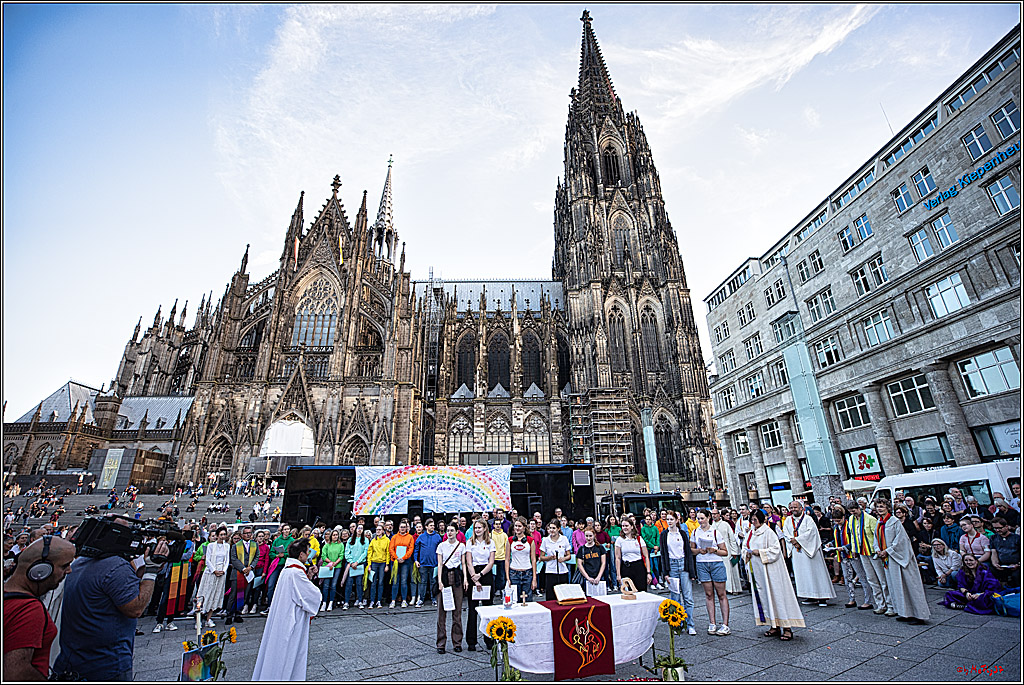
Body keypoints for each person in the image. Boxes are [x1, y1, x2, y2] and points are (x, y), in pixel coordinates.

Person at [54, 517, 170, 681]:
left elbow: (120, 589)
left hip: (73, 657)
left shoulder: (79, 563)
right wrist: (151, 571)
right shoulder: (115, 567)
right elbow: (135, 608)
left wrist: (141, 572)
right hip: (106, 662)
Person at [3, 536, 76, 680]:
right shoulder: (28, 610)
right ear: (41, 569)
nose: (69, 571)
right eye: (64, 566)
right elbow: (16, 673)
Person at [251, 539, 321, 681]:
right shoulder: (296, 573)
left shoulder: (289, 569)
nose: (309, 556)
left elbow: (298, 591)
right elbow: (313, 597)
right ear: (301, 555)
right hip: (291, 620)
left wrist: (309, 576)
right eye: (308, 552)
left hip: (284, 617)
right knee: (287, 653)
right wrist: (309, 580)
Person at [743, 509, 804, 641]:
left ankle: (787, 627)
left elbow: (775, 550)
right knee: (765, 597)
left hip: (771, 570)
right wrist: (747, 553)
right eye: (751, 520)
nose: (753, 522)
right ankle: (773, 624)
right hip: (758, 572)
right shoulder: (750, 533)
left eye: (755, 519)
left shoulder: (768, 532)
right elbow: (744, 547)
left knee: (777, 596)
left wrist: (759, 552)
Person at [874, 501, 930, 625]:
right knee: (897, 587)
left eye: (882, 506)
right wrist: (878, 550)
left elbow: (900, 540)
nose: (880, 509)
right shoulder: (879, 522)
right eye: (878, 507)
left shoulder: (894, 521)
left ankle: (918, 614)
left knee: (909, 586)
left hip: (899, 557)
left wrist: (887, 551)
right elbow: (876, 539)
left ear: (888, 508)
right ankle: (904, 612)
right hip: (889, 559)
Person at [783, 500, 836, 607]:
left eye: (795, 507)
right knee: (803, 575)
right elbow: (786, 533)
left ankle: (822, 597)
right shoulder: (788, 520)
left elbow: (812, 533)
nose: (793, 509)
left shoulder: (808, 519)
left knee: (816, 573)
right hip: (797, 551)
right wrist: (793, 541)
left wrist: (798, 541)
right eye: (791, 508)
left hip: (810, 551)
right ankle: (810, 595)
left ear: (801, 508)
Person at [845, 500, 892, 615]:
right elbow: (852, 536)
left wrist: (879, 550)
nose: (853, 514)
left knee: (882, 579)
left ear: (859, 508)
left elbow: (877, 536)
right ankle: (880, 604)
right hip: (862, 552)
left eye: (854, 511)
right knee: (871, 579)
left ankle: (890, 604)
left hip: (872, 552)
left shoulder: (870, 519)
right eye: (851, 512)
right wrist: (854, 550)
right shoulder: (851, 519)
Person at [691, 509, 731, 635]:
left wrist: (714, 550)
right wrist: (698, 550)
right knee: (708, 594)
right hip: (702, 563)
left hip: (715, 562)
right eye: (698, 518)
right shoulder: (695, 532)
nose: (700, 521)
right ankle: (712, 622)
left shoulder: (715, 532)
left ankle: (725, 624)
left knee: (721, 594)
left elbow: (725, 551)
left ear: (708, 518)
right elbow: (691, 549)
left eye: (702, 518)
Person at [660, 511, 697, 636]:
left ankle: (690, 624)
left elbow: (687, 552)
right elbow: (664, 554)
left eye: (671, 519)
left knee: (688, 596)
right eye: (668, 519)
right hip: (672, 565)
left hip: (683, 564)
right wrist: (665, 573)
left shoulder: (682, 534)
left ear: (677, 520)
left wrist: (692, 572)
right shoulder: (664, 535)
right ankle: (677, 624)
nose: (669, 521)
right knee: (675, 597)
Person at [831, 505, 872, 609]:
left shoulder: (849, 525)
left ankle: (868, 600)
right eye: (835, 521)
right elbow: (836, 539)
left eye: (839, 520)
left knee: (861, 576)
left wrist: (845, 547)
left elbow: (854, 539)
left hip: (852, 554)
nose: (837, 523)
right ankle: (851, 599)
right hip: (843, 555)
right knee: (847, 578)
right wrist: (831, 544)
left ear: (843, 517)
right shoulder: (836, 527)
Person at [436, 524, 468, 654]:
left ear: (457, 532)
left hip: (456, 577)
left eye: (452, 531)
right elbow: (439, 564)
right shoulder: (441, 546)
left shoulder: (461, 546)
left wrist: (465, 578)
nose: (449, 533)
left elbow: (464, 563)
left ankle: (457, 642)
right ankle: (441, 643)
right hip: (444, 575)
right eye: (448, 531)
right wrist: (439, 581)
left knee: (457, 612)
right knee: (441, 613)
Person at [464, 519, 496, 651]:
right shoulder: (469, 543)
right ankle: (471, 641)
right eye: (475, 528)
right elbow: (469, 562)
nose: (477, 530)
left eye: (479, 528)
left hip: (486, 574)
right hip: (474, 573)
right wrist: (474, 578)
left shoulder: (490, 543)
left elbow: (491, 562)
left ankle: (489, 639)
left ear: (484, 529)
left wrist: (481, 575)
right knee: (473, 609)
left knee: (488, 608)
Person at [196, 527, 230, 627]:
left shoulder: (227, 546)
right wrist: (214, 570)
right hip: (211, 571)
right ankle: (199, 618)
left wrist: (223, 570)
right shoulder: (211, 546)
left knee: (215, 595)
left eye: (224, 534)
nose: (223, 536)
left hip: (221, 572)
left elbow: (227, 560)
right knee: (206, 593)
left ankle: (209, 618)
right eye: (221, 534)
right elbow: (208, 560)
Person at [226, 525, 258, 625]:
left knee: (245, 594)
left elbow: (256, 556)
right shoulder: (236, 546)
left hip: (249, 573)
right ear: (242, 534)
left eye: (250, 533)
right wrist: (243, 568)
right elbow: (234, 559)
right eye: (246, 533)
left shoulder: (254, 544)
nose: (248, 535)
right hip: (237, 573)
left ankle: (238, 614)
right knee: (234, 595)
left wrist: (251, 567)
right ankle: (229, 615)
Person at [615, 517, 653, 592]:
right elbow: (617, 558)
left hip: (638, 567)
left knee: (641, 591)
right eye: (623, 526)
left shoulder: (639, 539)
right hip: (626, 567)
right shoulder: (619, 540)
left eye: (626, 526)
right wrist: (618, 574)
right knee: (628, 592)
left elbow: (646, 556)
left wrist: (648, 572)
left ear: (632, 526)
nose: (624, 528)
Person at [506, 517, 538, 603]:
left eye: (519, 526)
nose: (517, 528)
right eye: (516, 526)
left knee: (527, 601)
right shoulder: (510, 540)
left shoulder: (530, 540)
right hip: (514, 573)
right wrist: (508, 578)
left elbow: (533, 559)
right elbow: (507, 559)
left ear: (524, 527)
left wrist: (534, 578)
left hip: (527, 573)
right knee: (515, 601)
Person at [539, 519, 572, 597]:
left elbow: (569, 555)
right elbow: (541, 557)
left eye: (554, 528)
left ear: (558, 528)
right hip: (550, 571)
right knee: (551, 595)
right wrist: (549, 558)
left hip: (562, 571)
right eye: (550, 528)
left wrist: (563, 559)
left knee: (563, 595)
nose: (551, 530)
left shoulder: (564, 539)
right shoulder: (546, 540)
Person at [414, 519, 441, 608]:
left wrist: (439, 562)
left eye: (433, 525)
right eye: (431, 525)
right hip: (423, 564)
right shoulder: (421, 537)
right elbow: (416, 550)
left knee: (433, 582)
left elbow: (441, 551)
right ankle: (421, 599)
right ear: (426, 527)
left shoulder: (437, 537)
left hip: (434, 564)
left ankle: (434, 599)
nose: (433, 527)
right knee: (423, 582)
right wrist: (416, 560)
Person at [388, 520, 415, 609]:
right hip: (395, 561)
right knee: (395, 581)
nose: (402, 529)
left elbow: (411, 549)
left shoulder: (410, 537)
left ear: (406, 528)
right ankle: (393, 601)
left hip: (405, 562)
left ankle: (404, 600)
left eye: (404, 527)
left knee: (404, 581)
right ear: (398, 528)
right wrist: (396, 557)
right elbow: (391, 548)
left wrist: (404, 558)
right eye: (401, 527)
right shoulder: (394, 537)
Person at [990, 517, 1021, 587]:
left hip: (1016, 565)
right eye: (995, 528)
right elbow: (994, 552)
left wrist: (1018, 564)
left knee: (1016, 576)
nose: (997, 530)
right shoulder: (993, 538)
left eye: (999, 528)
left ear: (1006, 527)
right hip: (1001, 565)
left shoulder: (1017, 538)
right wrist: (995, 563)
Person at [319, 529, 345, 612]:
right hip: (327, 566)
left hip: (337, 566)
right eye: (333, 535)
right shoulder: (326, 545)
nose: (335, 536)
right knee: (326, 585)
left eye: (336, 535)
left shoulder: (341, 545)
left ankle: (331, 602)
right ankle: (324, 603)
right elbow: (323, 555)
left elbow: (341, 556)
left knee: (333, 585)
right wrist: (330, 562)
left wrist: (335, 563)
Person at [343, 525, 368, 609]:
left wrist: (357, 562)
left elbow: (365, 552)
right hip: (351, 564)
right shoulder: (350, 540)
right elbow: (347, 552)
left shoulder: (365, 540)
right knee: (349, 583)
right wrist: (351, 562)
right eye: (358, 528)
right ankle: (346, 602)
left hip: (360, 564)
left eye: (361, 528)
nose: (360, 530)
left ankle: (360, 601)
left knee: (359, 583)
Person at [577, 528, 607, 596]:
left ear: (594, 535)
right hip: (587, 577)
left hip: (599, 576)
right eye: (586, 536)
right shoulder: (582, 549)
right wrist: (587, 577)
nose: (588, 538)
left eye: (590, 536)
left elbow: (603, 563)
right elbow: (580, 564)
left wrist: (599, 576)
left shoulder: (600, 547)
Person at [367, 524, 390, 609]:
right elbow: (369, 553)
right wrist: (369, 565)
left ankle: (379, 600)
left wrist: (387, 564)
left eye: (380, 529)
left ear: (383, 531)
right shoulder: (373, 541)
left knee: (381, 582)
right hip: (374, 563)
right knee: (373, 582)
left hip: (382, 563)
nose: (378, 531)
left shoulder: (387, 540)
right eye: (377, 530)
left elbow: (388, 553)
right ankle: (372, 600)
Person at [490, 518, 509, 603]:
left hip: (502, 558)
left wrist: (505, 555)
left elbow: (506, 546)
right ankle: (493, 592)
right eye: (496, 524)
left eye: (499, 524)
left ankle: (501, 591)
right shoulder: (490, 535)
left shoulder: (504, 535)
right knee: (493, 577)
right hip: (493, 559)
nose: (497, 526)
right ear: (493, 525)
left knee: (501, 576)